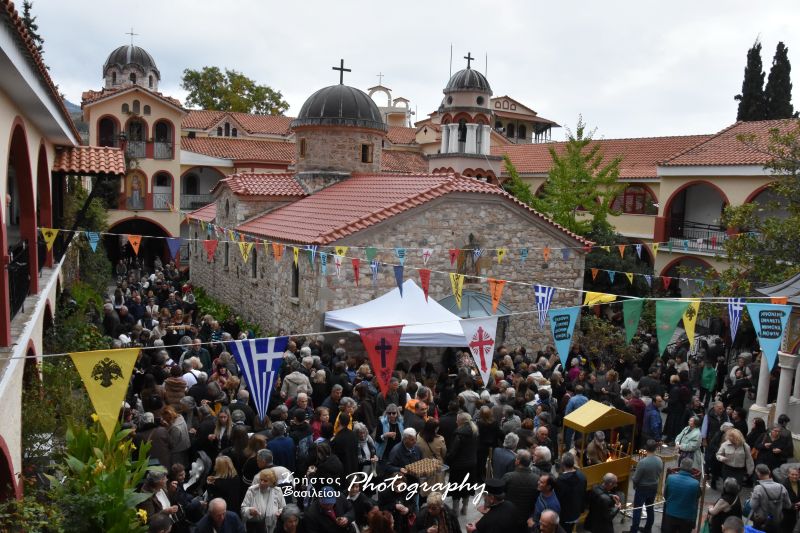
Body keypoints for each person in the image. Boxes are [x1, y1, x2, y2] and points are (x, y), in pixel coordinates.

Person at [446, 412, 479, 515]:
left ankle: (455, 510)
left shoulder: (458, 434)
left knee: (456, 489)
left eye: (457, 420)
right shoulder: (475, 431)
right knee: (467, 488)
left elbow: (453, 452)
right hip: (472, 464)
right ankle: (465, 507)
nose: (456, 421)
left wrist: (447, 458)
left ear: (461, 421)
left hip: (458, 466)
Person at [629, 439, 663, 533]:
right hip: (653, 487)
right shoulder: (659, 460)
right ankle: (648, 528)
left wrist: (635, 484)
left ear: (646, 448)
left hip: (642, 488)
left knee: (637, 509)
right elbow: (659, 472)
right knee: (650, 508)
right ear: (655, 448)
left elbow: (636, 478)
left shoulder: (643, 462)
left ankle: (634, 530)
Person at [503, 449, 540, 530]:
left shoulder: (508, 477)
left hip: (509, 517)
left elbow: (501, 495)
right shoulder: (537, 479)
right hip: (527, 518)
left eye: (516, 458)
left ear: (518, 462)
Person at [240, 469, 286, 533]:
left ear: (271, 482)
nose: (262, 482)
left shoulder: (277, 491)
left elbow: (284, 508)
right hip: (254, 527)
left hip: (273, 527)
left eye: (265, 481)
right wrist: (250, 511)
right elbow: (243, 509)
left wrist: (280, 512)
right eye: (261, 480)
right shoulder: (252, 490)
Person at [750, 464, 792, 533]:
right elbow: (788, 505)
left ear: (758, 474)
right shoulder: (781, 487)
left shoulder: (758, 488)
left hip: (761, 521)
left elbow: (752, 506)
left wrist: (752, 497)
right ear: (769, 472)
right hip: (777, 520)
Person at [663, 459, 701, 533]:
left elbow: (665, 495)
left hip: (671, 514)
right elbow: (697, 497)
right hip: (687, 517)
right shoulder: (695, 483)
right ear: (691, 468)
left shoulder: (670, 478)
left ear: (680, 466)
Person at [781, 466, 800, 533]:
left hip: (797, 513)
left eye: (796, 474)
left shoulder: (799, 483)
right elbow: (781, 501)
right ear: (788, 474)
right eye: (792, 474)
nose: (794, 476)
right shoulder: (783, 485)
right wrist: (792, 505)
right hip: (786, 514)